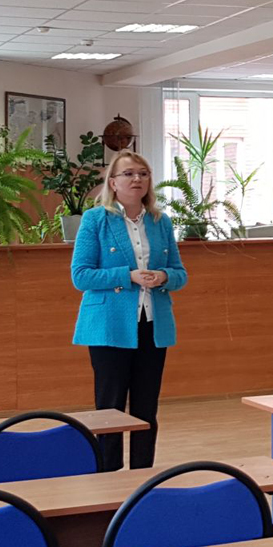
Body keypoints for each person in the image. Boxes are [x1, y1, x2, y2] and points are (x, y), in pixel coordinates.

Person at [71, 150, 187, 470]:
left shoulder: (161, 222)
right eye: (129, 174)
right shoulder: (96, 219)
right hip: (109, 326)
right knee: (109, 409)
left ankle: (141, 476)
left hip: (152, 323)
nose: (137, 179)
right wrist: (128, 276)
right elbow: (81, 276)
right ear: (113, 182)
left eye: (143, 173)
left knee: (146, 408)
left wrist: (164, 276)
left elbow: (180, 273)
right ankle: (108, 475)